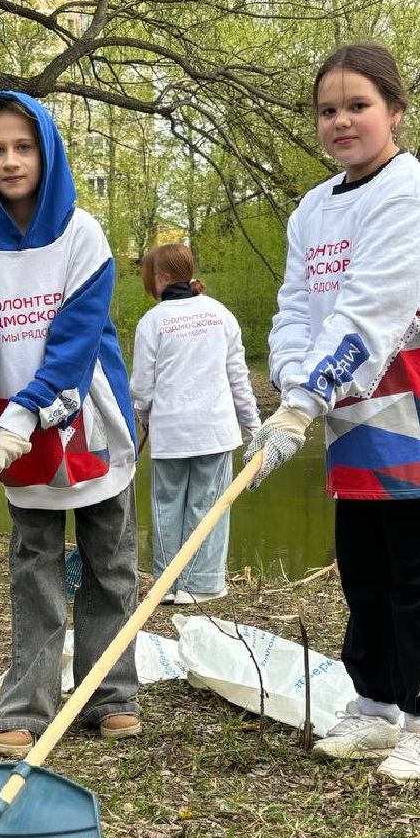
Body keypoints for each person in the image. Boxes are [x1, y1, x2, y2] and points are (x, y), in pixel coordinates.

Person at [245, 41, 420, 783]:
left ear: (395, 111)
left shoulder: (413, 196)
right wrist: (295, 384)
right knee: (367, 571)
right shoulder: (311, 211)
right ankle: (376, 706)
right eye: (328, 110)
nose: (342, 121)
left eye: (358, 105)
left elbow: (370, 314)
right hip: (351, 408)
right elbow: (295, 311)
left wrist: (303, 403)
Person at [0, 91, 142, 758]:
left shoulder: (84, 234)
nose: (10, 160)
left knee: (110, 566)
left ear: (46, 150)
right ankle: (25, 702)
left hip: (90, 425)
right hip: (10, 441)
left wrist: (27, 410)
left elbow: (76, 344)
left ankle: (109, 695)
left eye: (23, 146)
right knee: (35, 568)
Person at [129, 243, 259, 605]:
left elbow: (141, 388)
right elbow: (238, 378)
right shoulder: (220, 314)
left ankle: (168, 584)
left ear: (162, 277)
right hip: (215, 430)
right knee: (209, 504)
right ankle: (201, 585)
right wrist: (254, 426)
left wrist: (145, 418)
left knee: (167, 506)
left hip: (171, 432)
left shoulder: (152, 322)